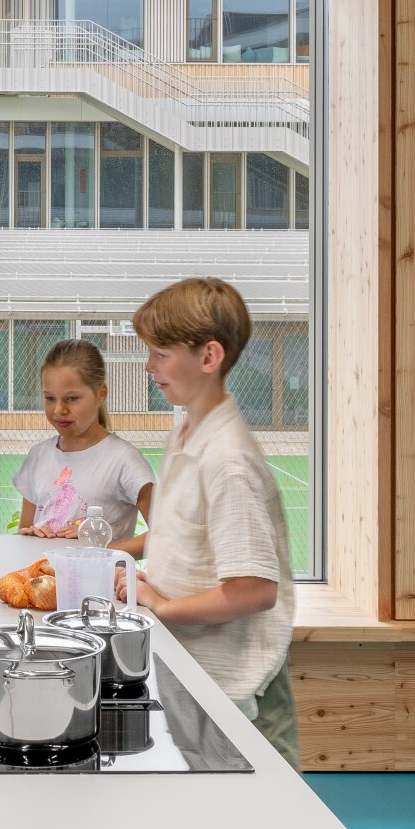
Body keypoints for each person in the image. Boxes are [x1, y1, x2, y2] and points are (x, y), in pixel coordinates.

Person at [126, 279, 299, 766]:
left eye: (160, 353)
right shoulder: (187, 430)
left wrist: (160, 604)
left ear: (209, 357)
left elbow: (253, 590)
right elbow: (178, 535)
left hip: (244, 700)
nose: (148, 366)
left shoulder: (228, 461)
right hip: (200, 679)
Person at [8, 338, 155, 549]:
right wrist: (32, 534)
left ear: (100, 394)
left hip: (100, 580)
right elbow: (25, 531)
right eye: (50, 398)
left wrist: (97, 547)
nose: (59, 410)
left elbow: (163, 537)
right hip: (44, 580)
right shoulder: (38, 455)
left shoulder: (123, 459)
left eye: (72, 398)